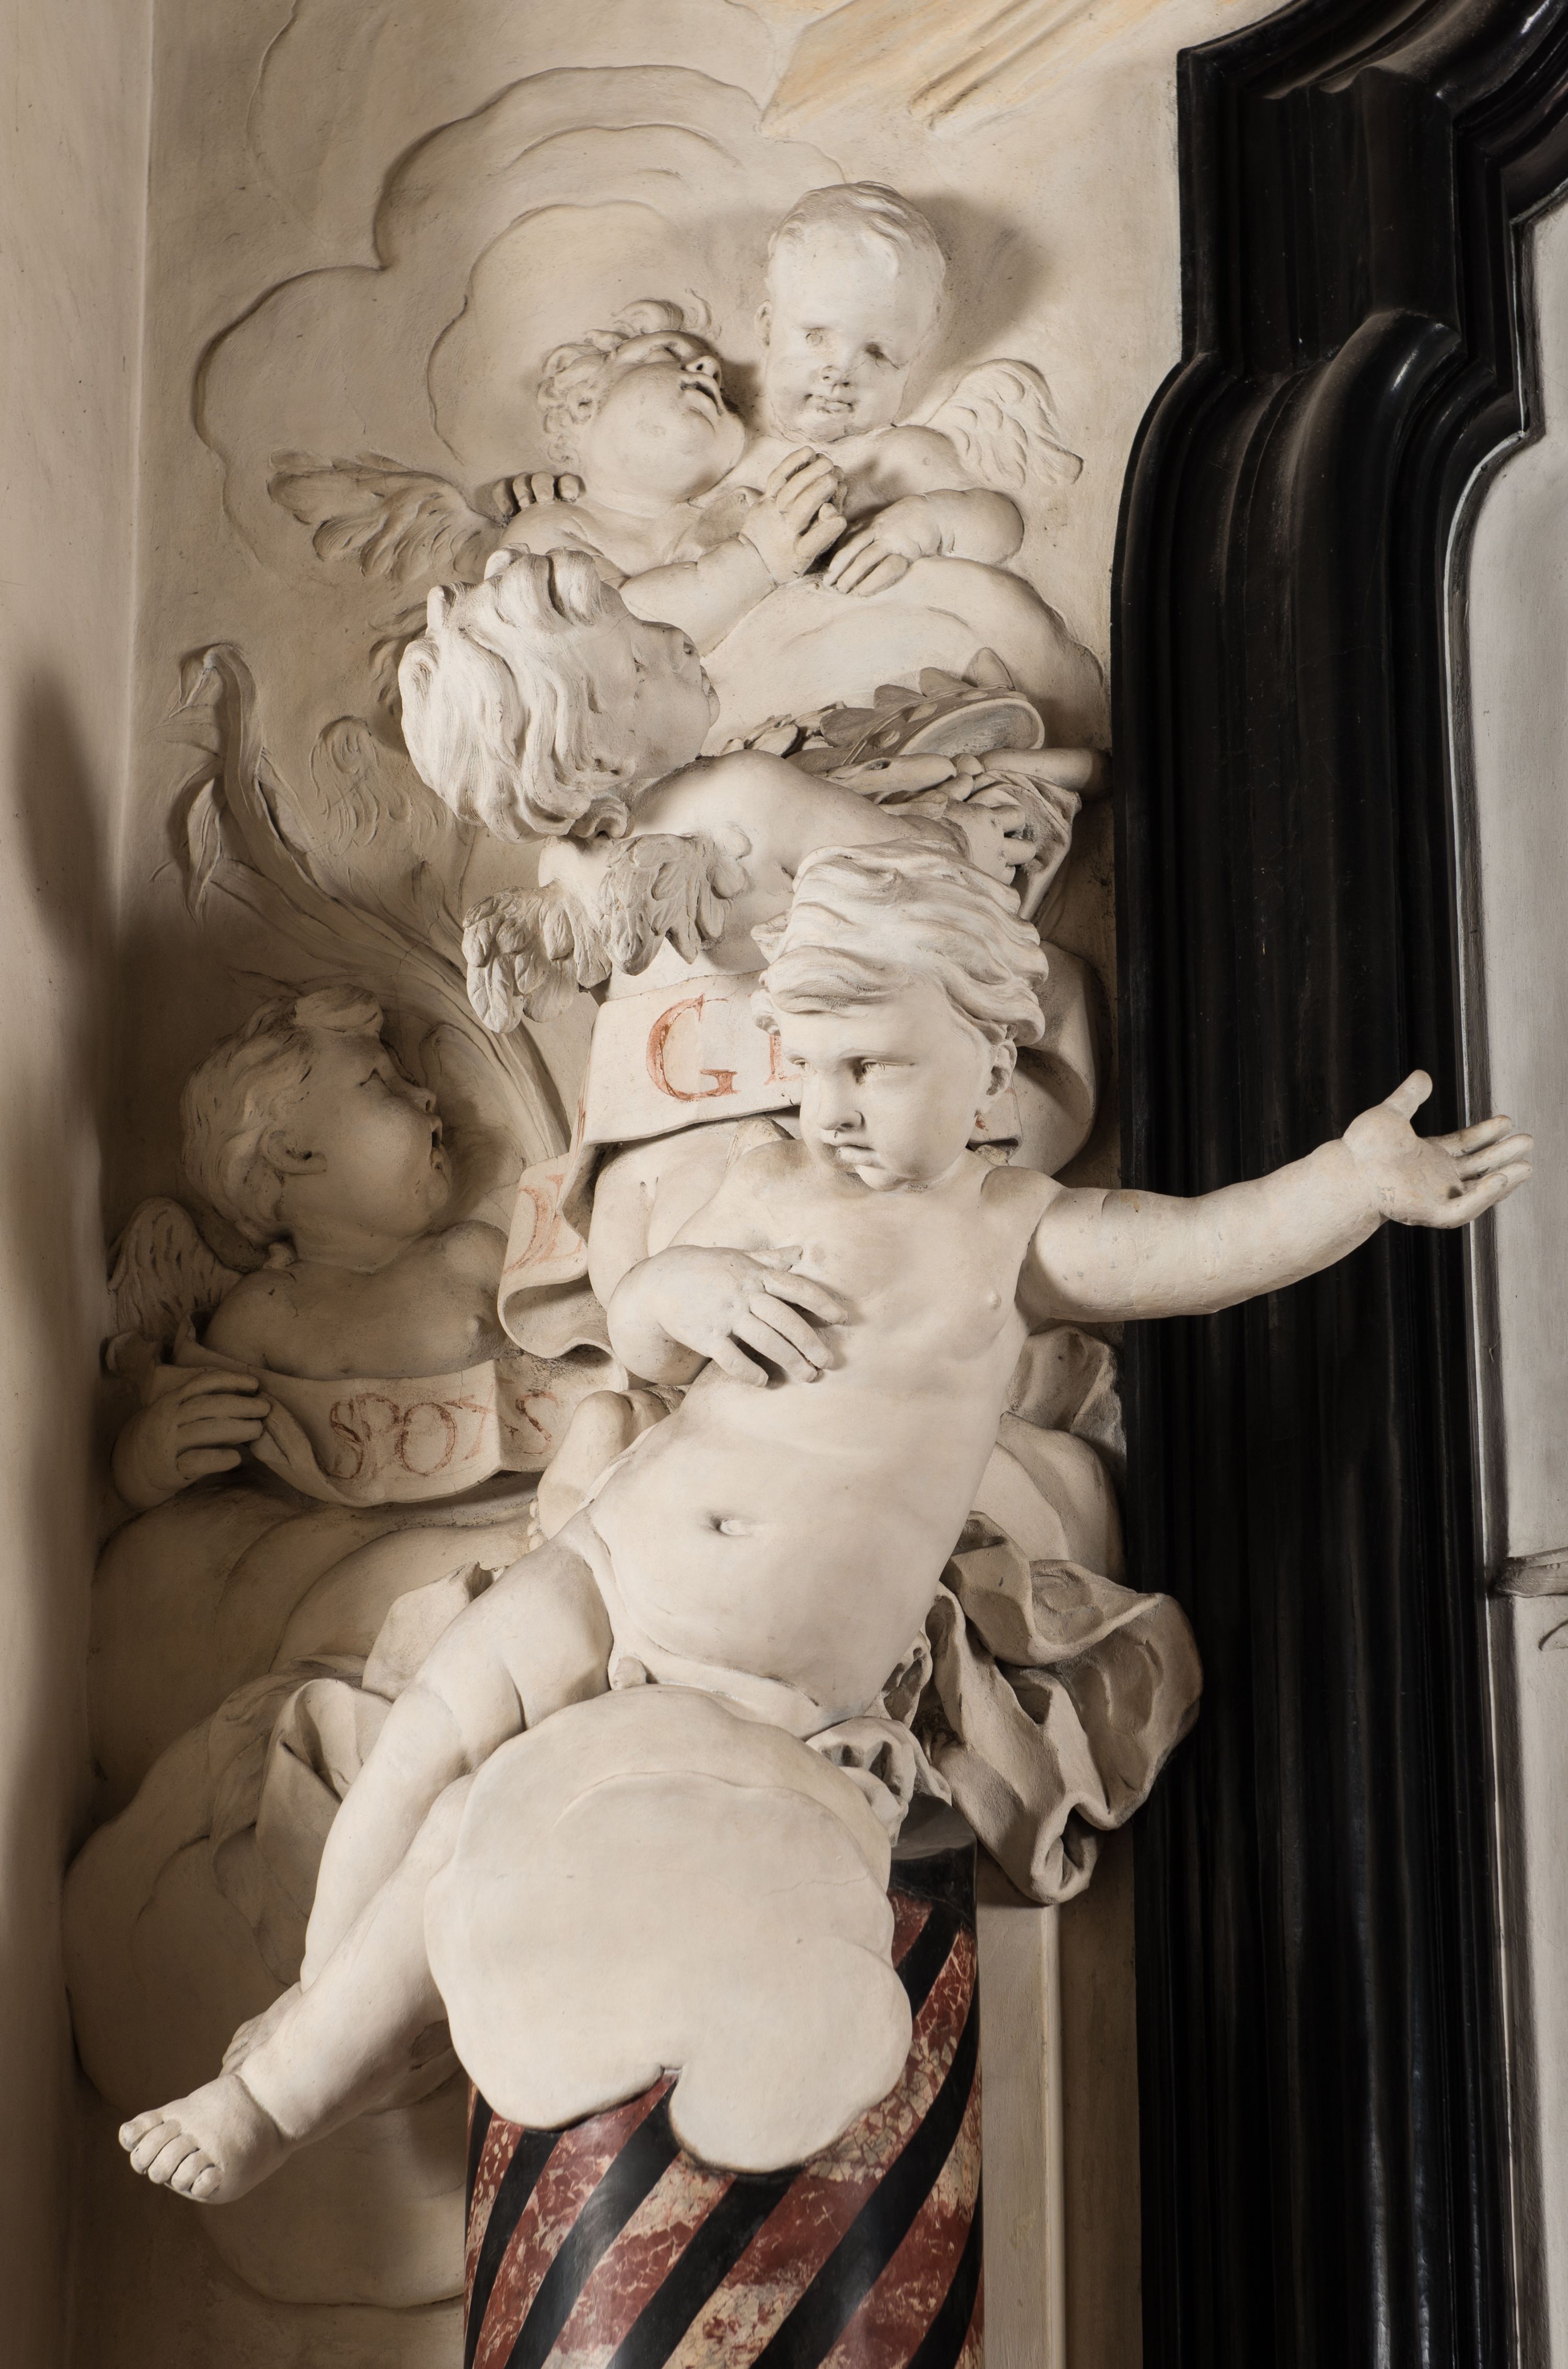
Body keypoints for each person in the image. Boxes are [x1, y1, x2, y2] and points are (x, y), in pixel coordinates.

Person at [119, 842, 1531, 2203]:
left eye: (873, 1066)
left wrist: (1351, 1185)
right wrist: (689, 1290)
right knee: (424, 1732)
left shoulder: (1009, 1235)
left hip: (758, 1673)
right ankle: (311, 1998)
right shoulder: (769, 1182)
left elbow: (1200, 1248)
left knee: (461, 1829)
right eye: (809, 1064)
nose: (834, 1104)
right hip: (611, 1562)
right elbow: (641, 1329)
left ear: (988, 1055)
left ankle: (275, 2099)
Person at [733, 183, 1025, 596]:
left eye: (877, 353)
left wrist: (924, 525)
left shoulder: (900, 455)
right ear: (767, 328)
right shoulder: (734, 455)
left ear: (913, 360)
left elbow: (1002, 525)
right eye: (816, 336)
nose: (841, 371)